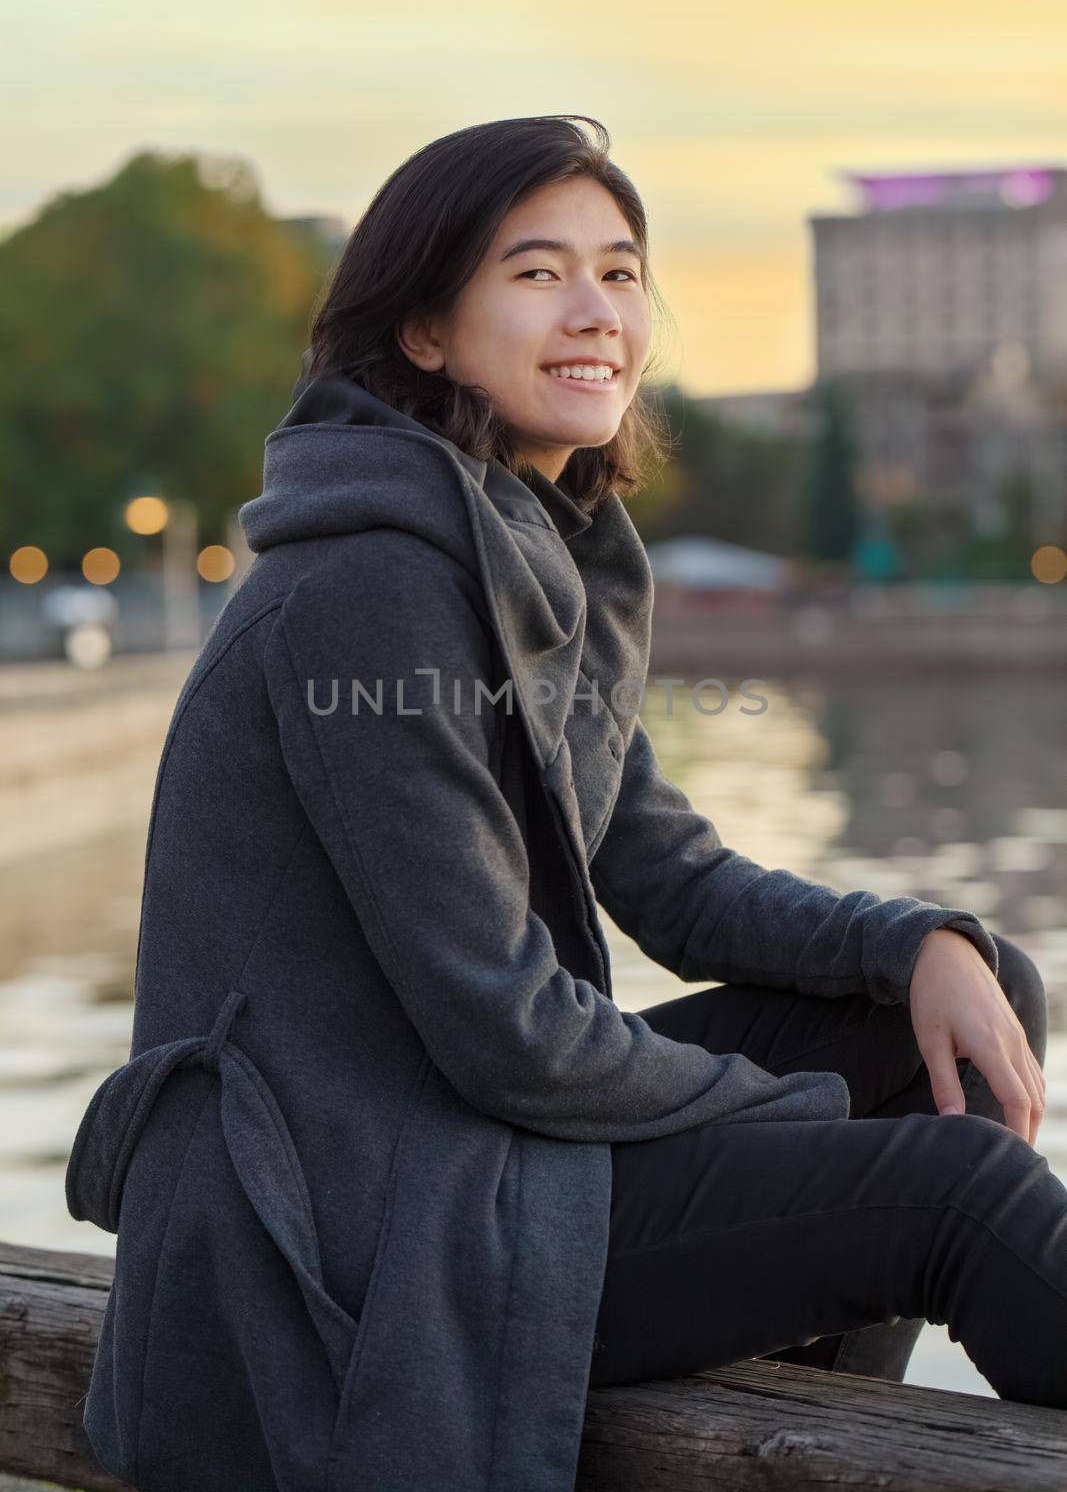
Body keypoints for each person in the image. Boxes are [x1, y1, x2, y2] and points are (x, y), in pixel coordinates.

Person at [66, 115, 1064, 1492]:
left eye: (621, 269)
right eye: (537, 273)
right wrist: (807, 1122)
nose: (597, 310)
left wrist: (919, 949)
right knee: (958, 1191)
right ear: (423, 329)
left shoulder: (535, 549)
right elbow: (510, 1032)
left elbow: (667, 876)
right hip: (359, 1219)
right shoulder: (373, 586)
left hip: (463, 1146)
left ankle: (788, 1372)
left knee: (969, 994)